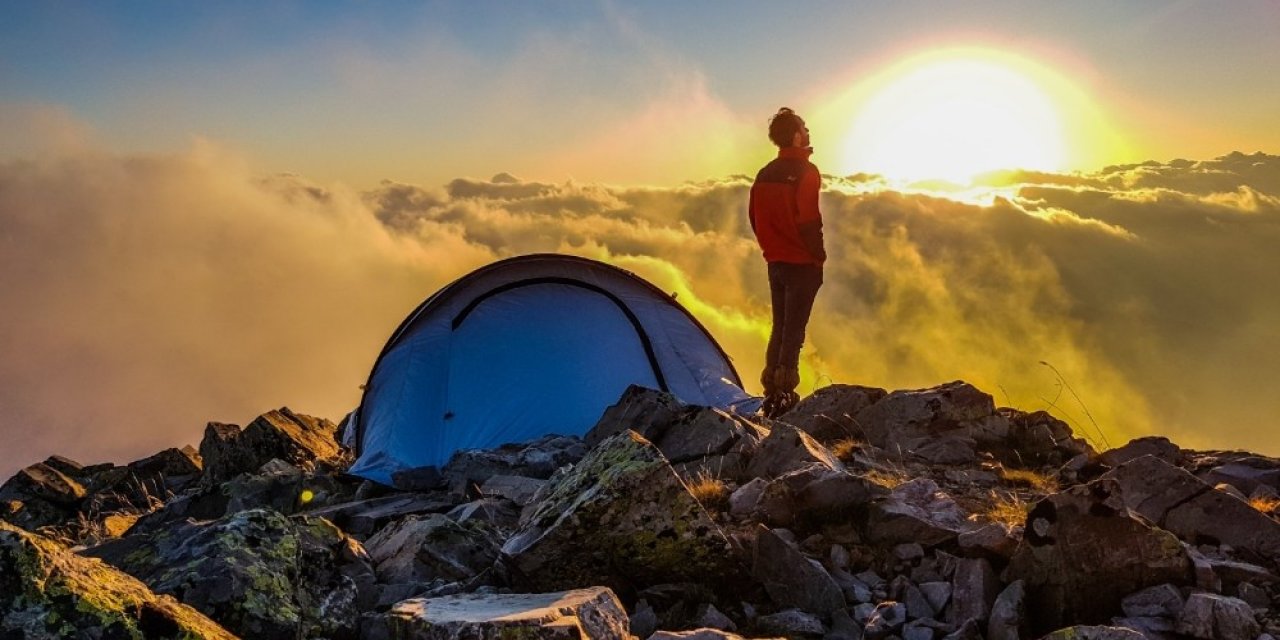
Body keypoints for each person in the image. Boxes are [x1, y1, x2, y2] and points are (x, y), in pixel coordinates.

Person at [748, 107, 825, 417]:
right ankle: (784, 396)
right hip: (801, 263)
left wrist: (771, 246)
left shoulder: (765, 173)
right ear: (796, 135)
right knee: (794, 330)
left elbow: (755, 217)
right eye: (804, 127)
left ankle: (771, 390)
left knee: (779, 326)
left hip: (776, 260)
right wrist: (818, 255)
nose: (808, 131)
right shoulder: (807, 172)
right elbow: (808, 219)